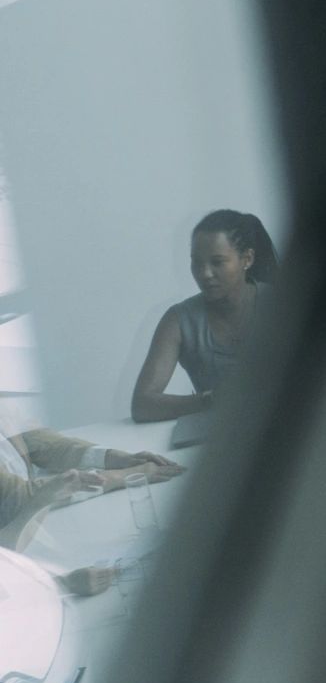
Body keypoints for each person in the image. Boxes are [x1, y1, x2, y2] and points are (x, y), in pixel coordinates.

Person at [132, 209, 280, 421]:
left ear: (247, 259)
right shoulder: (178, 320)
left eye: (217, 262)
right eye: (197, 262)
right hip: (216, 435)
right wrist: (212, 400)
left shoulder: (280, 304)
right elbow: (142, 405)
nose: (205, 273)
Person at [0, 422, 182, 546]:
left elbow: (38, 440)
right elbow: (15, 499)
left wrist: (115, 458)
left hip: (37, 530)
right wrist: (123, 475)